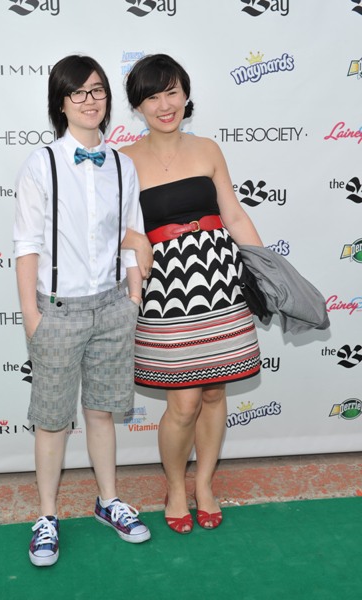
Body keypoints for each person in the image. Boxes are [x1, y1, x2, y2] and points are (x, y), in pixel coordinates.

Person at [14, 54, 152, 567]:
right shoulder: (41, 163)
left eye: (97, 90)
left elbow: (133, 236)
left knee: (101, 412)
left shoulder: (122, 164)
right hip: (57, 313)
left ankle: (108, 501)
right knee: (52, 421)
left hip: (114, 307)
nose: (90, 100)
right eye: (78, 92)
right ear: (61, 103)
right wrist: (32, 316)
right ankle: (47, 516)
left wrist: (133, 298)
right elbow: (26, 244)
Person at [120, 54, 263, 534]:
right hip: (165, 290)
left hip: (220, 277)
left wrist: (266, 270)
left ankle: (204, 484)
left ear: (186, 94)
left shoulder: (208, 149)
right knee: (183, 402)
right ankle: (175, 487)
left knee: (216, 391)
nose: (165, 105)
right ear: (138, 106)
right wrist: (134, 243)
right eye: (152, 97)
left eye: (172, 92)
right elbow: (109, 230)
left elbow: (234, 214)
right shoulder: (123, 161)